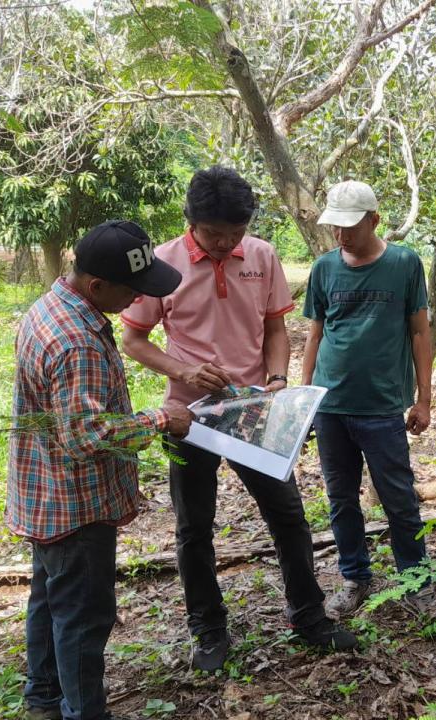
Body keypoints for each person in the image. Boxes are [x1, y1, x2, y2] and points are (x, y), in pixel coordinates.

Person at [121, 167, 356, 673]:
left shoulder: (263, 255)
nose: (227, 243)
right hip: (188, 415)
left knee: (289, 516)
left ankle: (309, 618)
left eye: (236, 232)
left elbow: (276, 328)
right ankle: (207, 630)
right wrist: (183, 369)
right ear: (191, 223)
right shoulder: (162, 263)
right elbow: (134, 340)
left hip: (253, 408)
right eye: (214, 235)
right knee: (193, 527)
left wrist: (275, 377)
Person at [8, 220, 193, 720]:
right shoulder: (78, 343)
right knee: (84, 618)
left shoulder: (50, 308)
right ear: (96, 286)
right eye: (132, 289)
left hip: (43, 494)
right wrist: (161, 419)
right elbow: (87, 436)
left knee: (50, 601)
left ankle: (44, 697)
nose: (137, 298)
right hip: (76, 505)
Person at [302, 180, 435, 616]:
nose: (341, 235)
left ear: (374, 220)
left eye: (350, 227)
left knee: (398, 495)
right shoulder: (324, 269)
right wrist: (305, 399)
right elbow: (315, 334)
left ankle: (415, 579)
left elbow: (419, 332)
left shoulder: (403, 263)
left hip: (381, 407)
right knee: (340, 498)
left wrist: (423, 399)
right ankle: (354, 576)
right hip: (331, 406)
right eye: (335, 227)